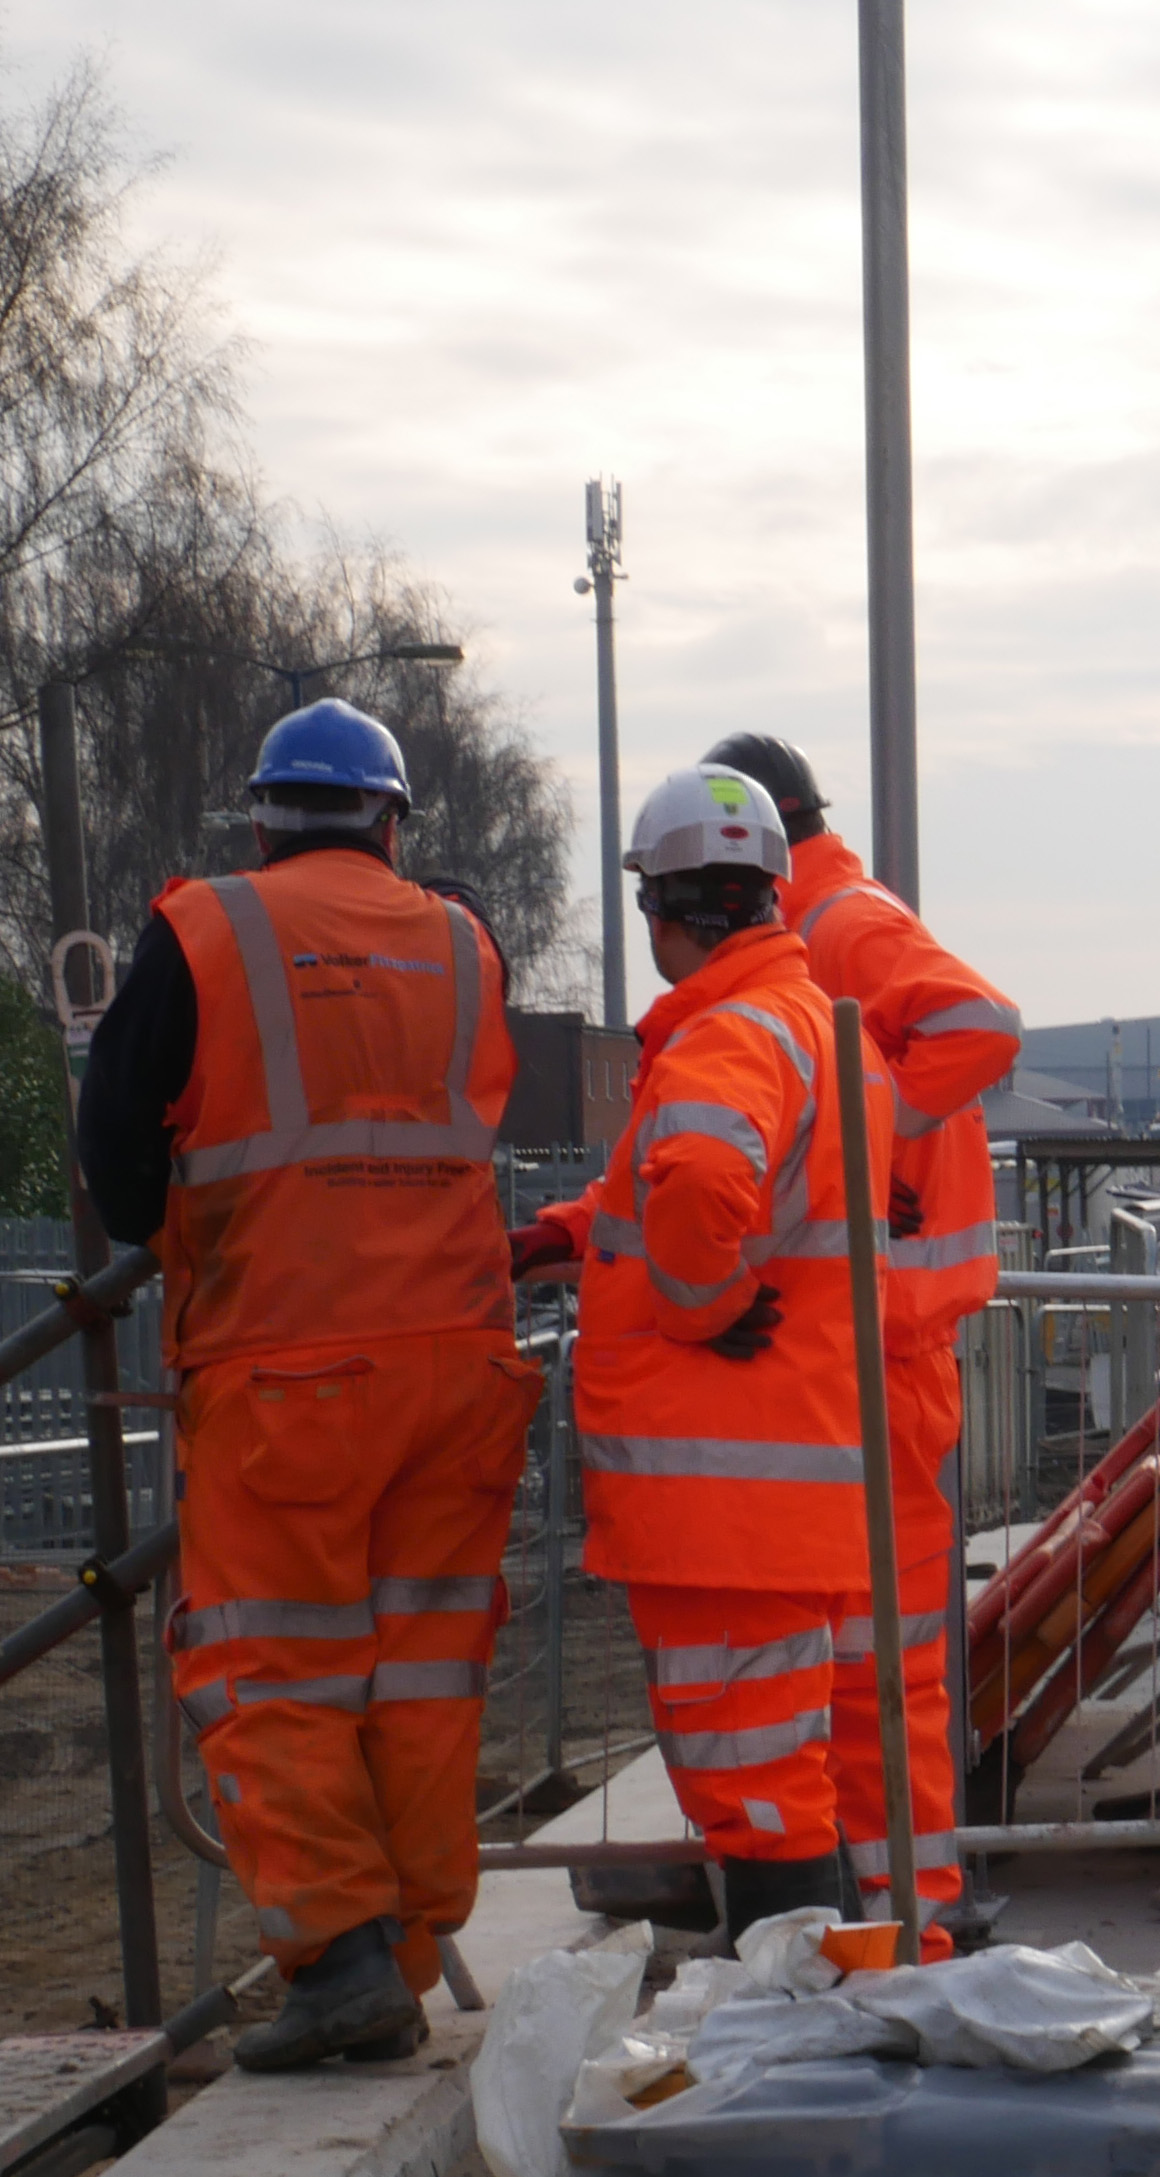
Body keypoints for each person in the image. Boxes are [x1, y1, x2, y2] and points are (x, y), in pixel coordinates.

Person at [77, 701, 531, 2069]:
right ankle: (395, 1952)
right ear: (391, 825)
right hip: (458, 1365)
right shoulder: (464, 941)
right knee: (420, 1673)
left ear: (265, 820)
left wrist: (182, 1246)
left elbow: (114, 1140)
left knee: (275, 1666)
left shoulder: (208, 929)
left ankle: (336, 1960)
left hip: (288, 1368)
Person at [510, 764, 895, 1945]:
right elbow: (697, 1186)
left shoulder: (727, 1034)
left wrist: (696, 1300)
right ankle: (805, 1996)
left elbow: (703, 1187)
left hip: (722, 1497)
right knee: (778, 1768)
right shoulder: (816, 1027)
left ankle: (799, 2027)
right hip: (780, 1479)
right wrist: (567, 1237)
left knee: (752, 1784)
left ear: (669, 910)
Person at [705, 732, 1017, 1925]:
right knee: (872, 1662)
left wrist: (861, 1135)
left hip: (884, 1345)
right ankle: (895, 1911)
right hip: (875, 1341)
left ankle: (905, 1920)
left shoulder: (837, 920)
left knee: (879, 1665)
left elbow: (983, 1024)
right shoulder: (832, 917)